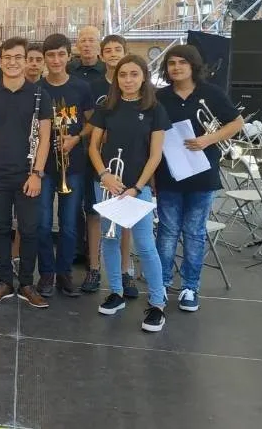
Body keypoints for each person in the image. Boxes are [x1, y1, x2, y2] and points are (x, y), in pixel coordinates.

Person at [155, 45, 243, 312]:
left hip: (203, 174)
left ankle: (190, 287)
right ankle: (162, 282)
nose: (177, 67)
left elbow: (237, 123)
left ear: (193, 65)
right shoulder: (159, 96)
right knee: (167, 232)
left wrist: (209, 139)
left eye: (182, 62)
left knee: (194, 233)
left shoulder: (211, 93)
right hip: (169, 174)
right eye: (171, 63)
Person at [89, 55, 170, 332]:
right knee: (109, 240)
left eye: (134, 74)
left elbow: (155, 155)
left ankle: (158, 303)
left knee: (145, 244)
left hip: (138, 187)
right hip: (108, 185)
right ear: (116, 78)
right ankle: (116, 292)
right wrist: (105, 175)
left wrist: (136, 186)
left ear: (143, 77)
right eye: (123, 75)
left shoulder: (154, 109)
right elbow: (93, 148)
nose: (128, 80)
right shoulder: (106, 107)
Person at [0, 37, 52, 308]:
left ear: (25, 60)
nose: (12, 62)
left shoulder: (40, 95)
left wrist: (37, 173)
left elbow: (44, 137)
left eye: (18, 57)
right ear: (0, 61)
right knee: (1, 229)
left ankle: (27, 283)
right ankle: (5, 281)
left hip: (28, 174)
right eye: (7, 57)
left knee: (30, 230)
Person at [34, 34, 93, 298]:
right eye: (51, 55)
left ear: (69, 56)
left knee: (69, 224)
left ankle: (65, 273)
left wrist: (76, 138)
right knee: (43, 223)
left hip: (75, 165)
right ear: (45, 59)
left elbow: (93, 123)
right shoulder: (37, 89)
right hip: (45, 166)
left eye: (61, 54)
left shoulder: (81, 88)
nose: (56, 60)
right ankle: (46, 273)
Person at [82, 34, 132, 294]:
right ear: (101, 56)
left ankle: (125, 272)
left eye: (118, 49)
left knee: (124, 218)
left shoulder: (135, 86)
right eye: (108, 50)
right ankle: (93, 268)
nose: (113, 54)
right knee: (95, 214)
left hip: (129, 161)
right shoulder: (95, 87)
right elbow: (91, 123)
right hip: (100, 158)